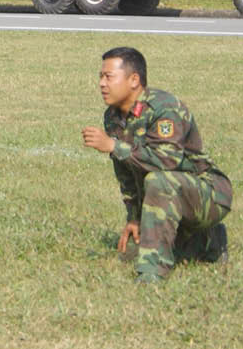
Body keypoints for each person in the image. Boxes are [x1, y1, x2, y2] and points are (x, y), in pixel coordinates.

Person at [81, 47, 231, 283]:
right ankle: (209, 241)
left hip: (208, 192)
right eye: (100, 76)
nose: (101, 83)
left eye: (108, 77)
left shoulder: (164, 108)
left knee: (158, 181)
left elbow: (167, 161)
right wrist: (134, 217)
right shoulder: (113, 117)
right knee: (150, 249)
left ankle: (152, 272)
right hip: (170, 193)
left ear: (133, 80)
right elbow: (127, 171)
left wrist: (114, 146)